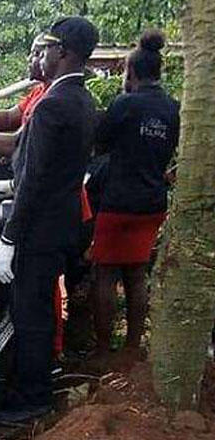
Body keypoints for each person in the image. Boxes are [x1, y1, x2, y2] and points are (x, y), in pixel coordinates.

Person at [0, 17, 98, 424]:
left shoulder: (53, 105)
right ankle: (35, 386)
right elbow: (46, 169)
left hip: (40, 229)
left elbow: (35, 180)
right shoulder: (80, 100)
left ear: (63, 52)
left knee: (31, 314)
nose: (39, 56)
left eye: (45, 49)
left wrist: (10, 238)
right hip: (59, 223)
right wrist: (8, 184)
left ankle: (31, 399)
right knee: (39, 311)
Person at [90, 30, 180, 365]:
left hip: (118, 201)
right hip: (153, 202)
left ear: (133, 73)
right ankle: (131, 347)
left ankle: (102, 350)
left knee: (105, 274)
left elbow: (100, 143)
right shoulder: (173, 108)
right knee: (137, 273)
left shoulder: (125, 103)